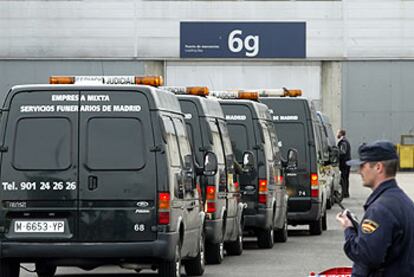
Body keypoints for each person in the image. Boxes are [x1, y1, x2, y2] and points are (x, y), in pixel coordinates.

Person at [336, 140, 414, 276]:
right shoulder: (403, 201)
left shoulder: (380, 210)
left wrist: (349, 230)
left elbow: (366, 256)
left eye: (363, 165)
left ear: (378, 167)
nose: (359, 171)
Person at [337, 129, 351, 198]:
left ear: (341, 134)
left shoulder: (343, 142)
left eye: (338, 133)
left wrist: (337, 153)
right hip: (347, 162)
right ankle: (346, 192)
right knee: (346, 178)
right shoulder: (346, 141)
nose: (337, 134)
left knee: (343, 178)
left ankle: (344, 193)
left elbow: (342, 152)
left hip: (344, 163)